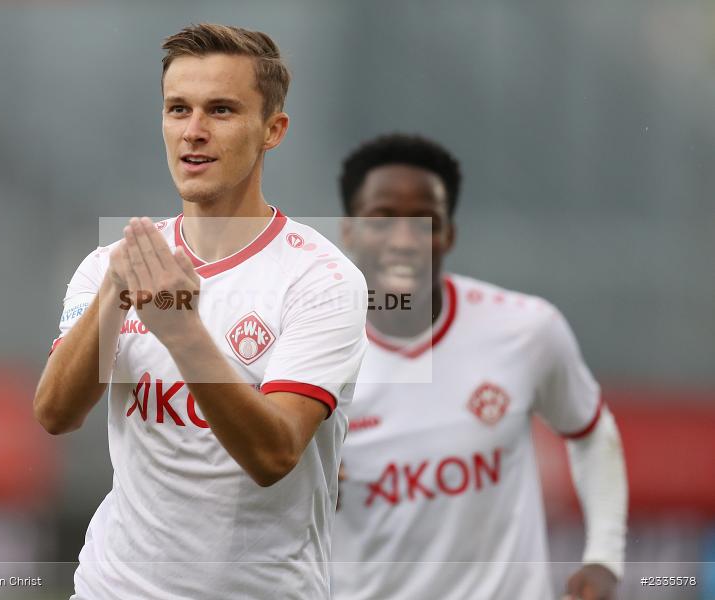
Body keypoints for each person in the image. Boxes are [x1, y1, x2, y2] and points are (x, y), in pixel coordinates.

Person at [33, 24, 368, 600]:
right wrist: (116, 289)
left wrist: (183, 333)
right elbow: (55, 414)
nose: (193, 131)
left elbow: (273, 454)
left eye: (221, 110)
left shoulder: (322, 279)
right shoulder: (112, 263)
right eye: (178, 109)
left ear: (273, 130)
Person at [331, 133, 628, 600]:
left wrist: (604, 559)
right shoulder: (312, 354)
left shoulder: (526, 330)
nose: (404, 241)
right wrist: (301, 486)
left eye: (425, 223)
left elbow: (591, 433)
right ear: (349, 231)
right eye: (382, 220)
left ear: (450, 234)